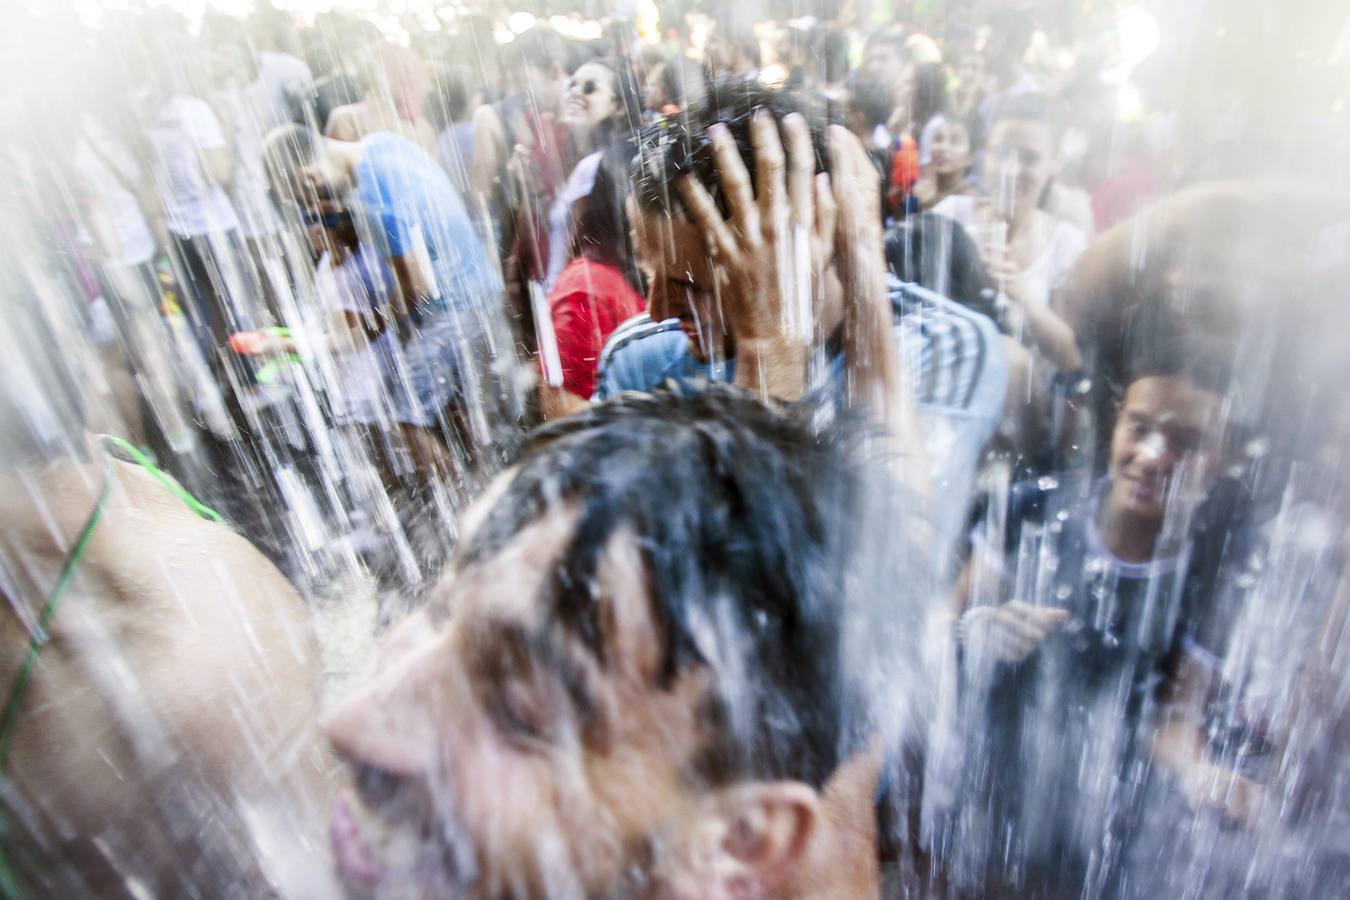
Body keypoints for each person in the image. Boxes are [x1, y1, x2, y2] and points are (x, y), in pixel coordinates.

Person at [322, 110, 931, 896]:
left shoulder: (934, 352)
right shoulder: (642, 355)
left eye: (522, 709)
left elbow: (814, 666)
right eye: (439, 616)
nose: (342, 724)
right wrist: (770, 356)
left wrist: (818, 313)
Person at [601, 84, 1007, 565]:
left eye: (693, 284)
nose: (657, 311)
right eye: (647, 273)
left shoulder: (946, 346)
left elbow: (885, 568)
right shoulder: (637, 360)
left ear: (814, 239)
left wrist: (771, 346)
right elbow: (667, 579)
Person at [940, 338, 1255, 894]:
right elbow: (935, 626)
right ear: (1115, 425)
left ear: (1225, 459)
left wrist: (1200, 774)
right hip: (984, 796)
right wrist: (972, 630)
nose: (1153, 455)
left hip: (1100, 822)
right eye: (1140, 428)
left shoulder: (1211, 577)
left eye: (1186, 443)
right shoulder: (1033, 509)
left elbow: (1176, 720)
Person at [262, 123, 519, 474]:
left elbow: (416, 287)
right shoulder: (384, 142)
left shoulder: (373, 198)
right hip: (482, 289)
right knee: (467, 414)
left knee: (407, 420)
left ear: (309, 176)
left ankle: (465, 509)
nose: (314, 206)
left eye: (303, 199)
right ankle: (488, 484)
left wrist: (369, 329)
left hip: (455, 310)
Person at [932, 93, 1086, 371]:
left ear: (1054, 164)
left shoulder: (1067, 244)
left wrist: (1019, 292)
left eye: (1029, 159)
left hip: (1024, 405)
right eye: (1002, 153)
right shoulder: (951, 215)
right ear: (986, 154)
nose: (1011, 170)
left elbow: (1072, 359)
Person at [913, 115, 973, 210]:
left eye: (954, 141)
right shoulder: (916, 194)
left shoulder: (971, 202)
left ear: (970, 157)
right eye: (938, 139)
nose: (943, 148)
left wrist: (930, 205)